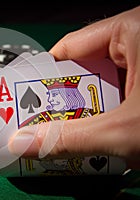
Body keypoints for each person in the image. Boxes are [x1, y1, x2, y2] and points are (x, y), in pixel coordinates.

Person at [8, 5, 140, 170]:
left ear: (67, 97)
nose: (48, 100)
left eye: (53, 96)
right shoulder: (45, 115)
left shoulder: (86, 114)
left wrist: (52, 141)